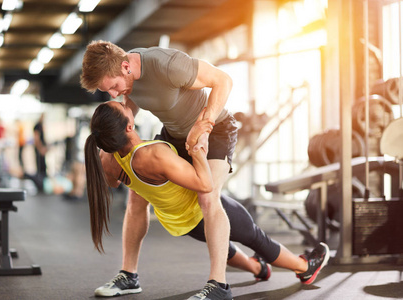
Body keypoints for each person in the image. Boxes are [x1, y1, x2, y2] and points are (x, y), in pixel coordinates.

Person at [84, 101, 330, 299]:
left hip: (181, 224)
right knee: (255, 236)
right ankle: (304, 267)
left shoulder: (107, 160)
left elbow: (116, 182)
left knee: (225, 248)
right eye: (124, 108)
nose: (127, 104)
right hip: (200, 211)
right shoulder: (154, 155)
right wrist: (196, 147)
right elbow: (205, 184)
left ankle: (259, 268)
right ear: (128, 127)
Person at [81, 40, 237, 298]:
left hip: (216, 129)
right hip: (175, 134)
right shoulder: (127, 81)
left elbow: (223, 80)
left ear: (125, 67)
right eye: (107, 91)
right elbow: (126, 114)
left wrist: (205, 125)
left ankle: (219, 286)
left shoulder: (167, 65)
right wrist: (109, 145)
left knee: (208, 197)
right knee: (136, 194)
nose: (113, 94)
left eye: (114, 87)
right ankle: (129, 275)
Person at [33, 113, 48, 190]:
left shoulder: (41, 126)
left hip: (42, 149)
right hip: (39, 150)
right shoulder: (37, 126)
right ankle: (40, 186)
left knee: (43, 167)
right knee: (40, 167)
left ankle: (44, 185)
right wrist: (40, 148)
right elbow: (36, 139)